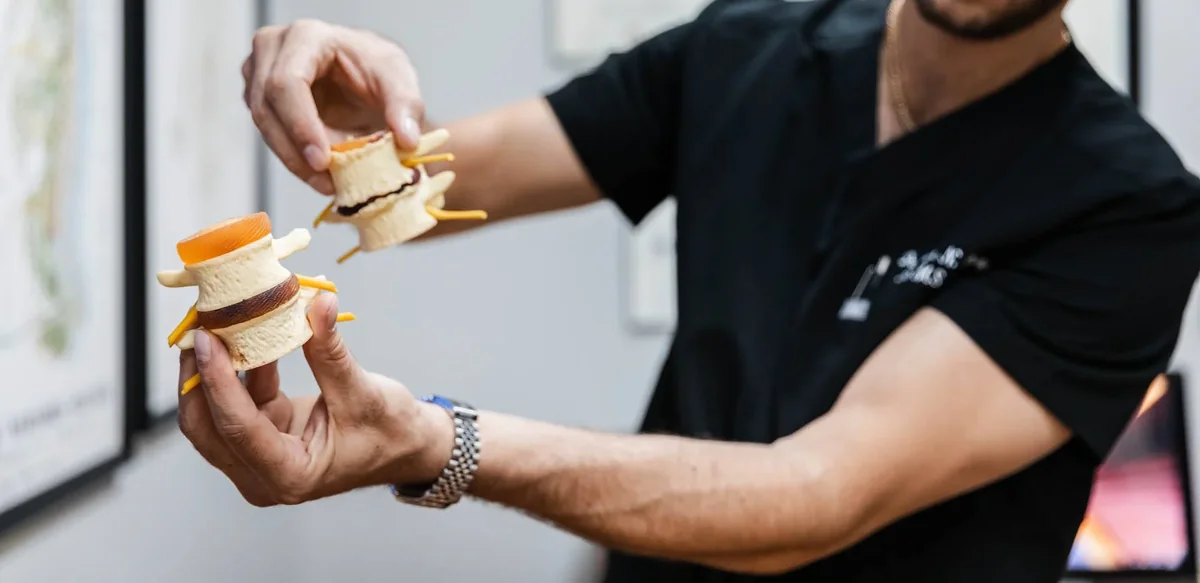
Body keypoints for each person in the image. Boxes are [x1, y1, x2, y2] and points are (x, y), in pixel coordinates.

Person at [178, 0, 1200, 581]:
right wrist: (353, 115)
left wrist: (437, 440)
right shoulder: (748, 48)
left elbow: (813, 496)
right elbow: (429, 179)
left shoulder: (1125, 202)